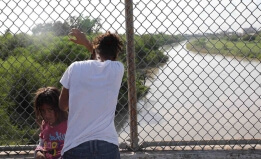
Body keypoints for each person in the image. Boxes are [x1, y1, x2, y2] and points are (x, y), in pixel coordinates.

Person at [59, 28, 124, 159]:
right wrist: (89, 45)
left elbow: (62, 105)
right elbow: (101, 61)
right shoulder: (117, 69)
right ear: (115, 55)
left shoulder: (74, 68)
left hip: (76, 145)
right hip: (107, 145)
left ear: (96, 49)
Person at [34, 87, 68, 159]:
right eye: (43, 111)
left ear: (58, 107)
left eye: (50, 110)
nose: (46, 115)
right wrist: (38, 152)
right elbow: (42, 144)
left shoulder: (68, 124)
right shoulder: (45, 124)